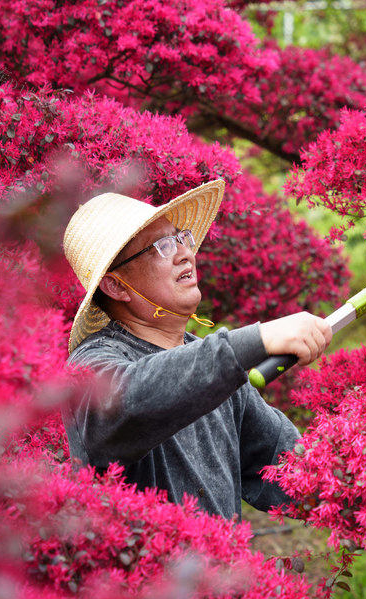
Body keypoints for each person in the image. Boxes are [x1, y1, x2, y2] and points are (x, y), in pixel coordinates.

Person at [61, 180, 332, 520]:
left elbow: (290, 469)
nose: (185, 252)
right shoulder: (90, 365)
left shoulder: (217, 368)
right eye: (160, 246)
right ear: (116, 285)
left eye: (181, 237)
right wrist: (255, 341)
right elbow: (127, 403)